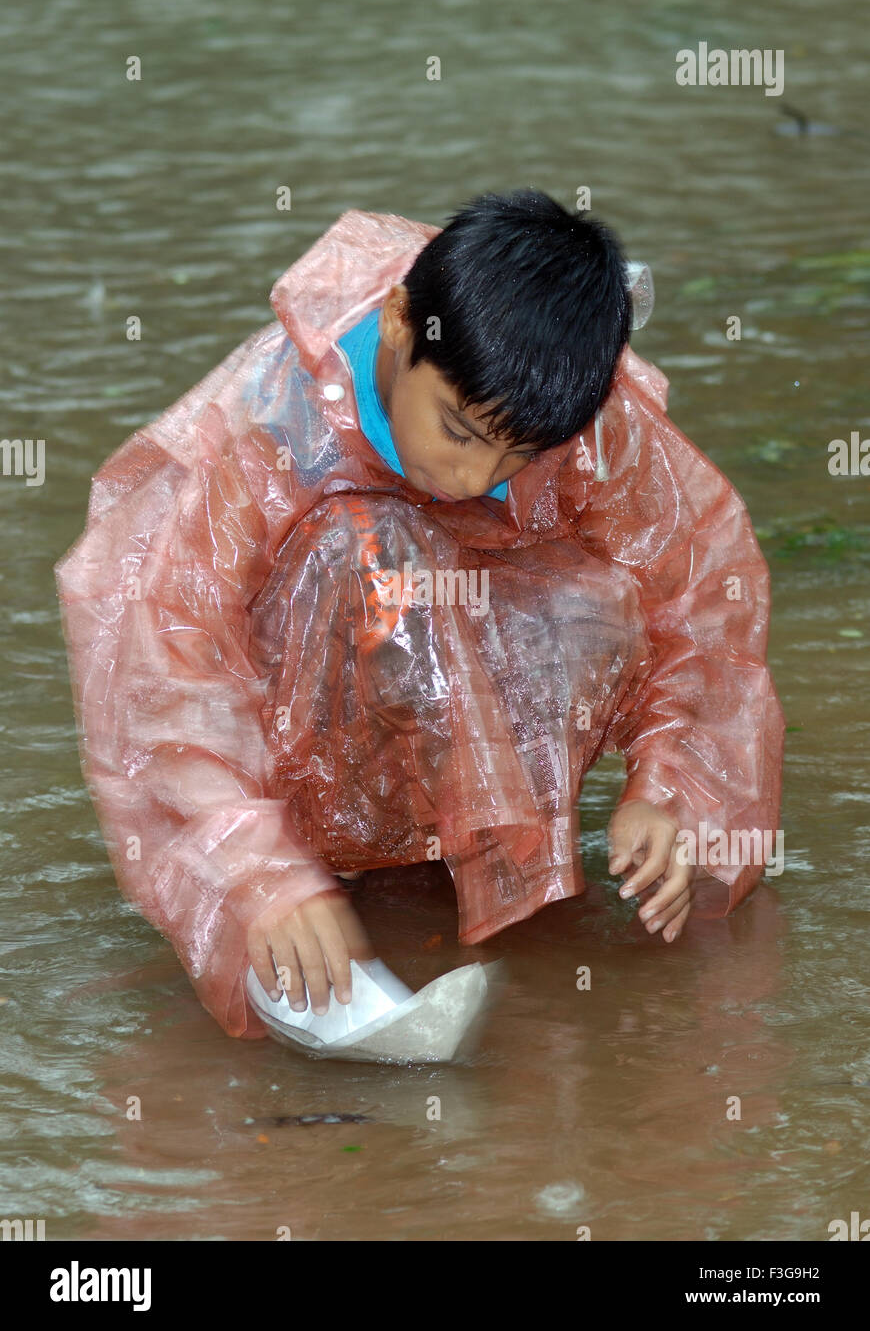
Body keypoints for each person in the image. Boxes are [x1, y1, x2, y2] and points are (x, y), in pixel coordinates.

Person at [54, 189, 785, 1041]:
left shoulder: (572, 412)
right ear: (402, 324)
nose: (476, 478)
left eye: (520, 455)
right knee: (370, 544)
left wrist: (676, 792)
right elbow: (163, 661)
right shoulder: (272, 420)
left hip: (448, 677)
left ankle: (463, 842)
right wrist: (260, 876)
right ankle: (330, 867)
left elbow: (705, 597)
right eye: (459, 431)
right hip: (303, 730)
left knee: (607, 589)